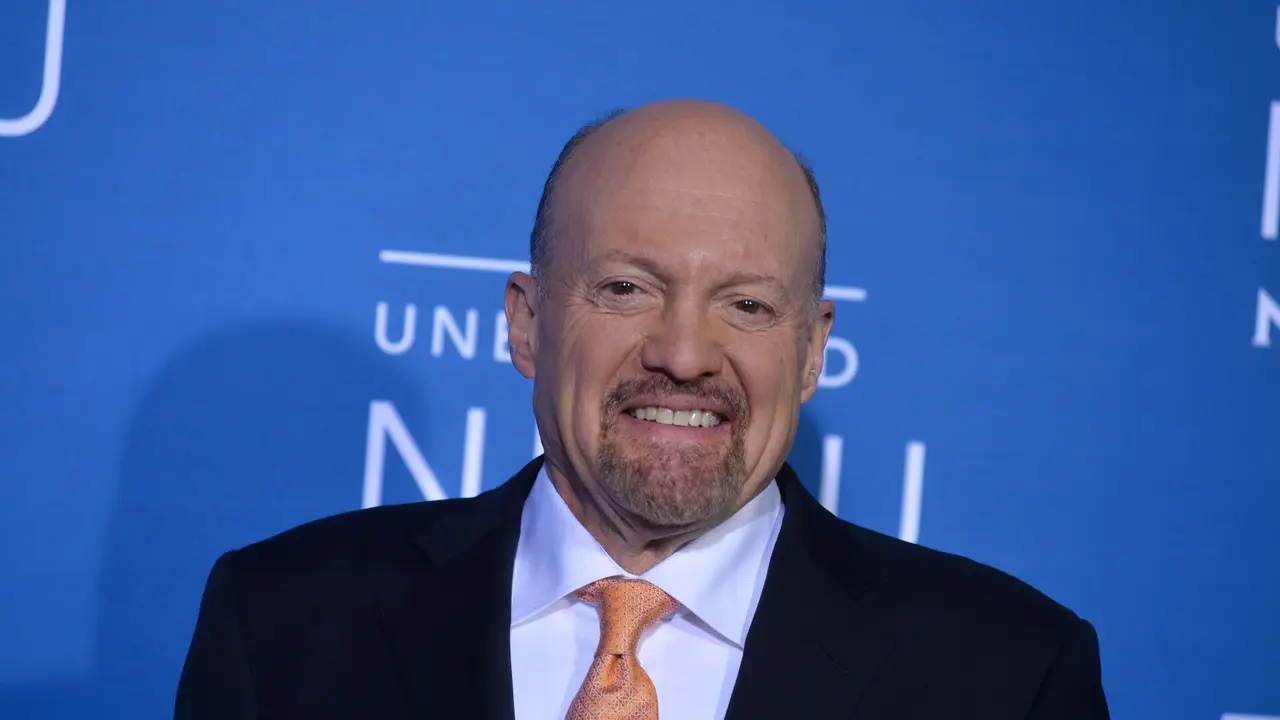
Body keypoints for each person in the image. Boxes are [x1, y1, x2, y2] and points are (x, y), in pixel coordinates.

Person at [175, 99, 1110, 719]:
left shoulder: (1006, 675)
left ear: (815, 349)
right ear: (528, 324)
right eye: (627, 289)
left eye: (747, 305)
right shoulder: (284, 624)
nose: (685, 354)